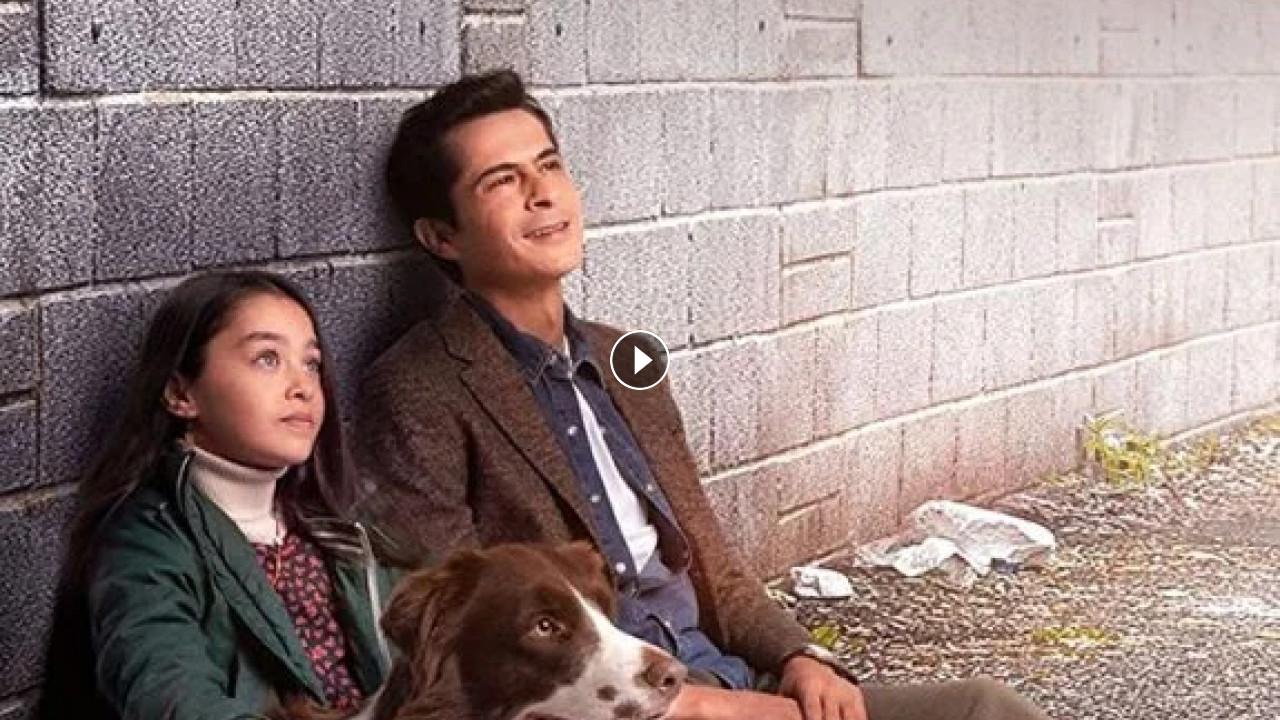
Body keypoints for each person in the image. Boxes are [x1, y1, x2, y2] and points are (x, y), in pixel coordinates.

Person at [354, 70, 1052, 720]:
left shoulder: (628, 357)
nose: (542, 193)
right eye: (502, 181)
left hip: (723, 678)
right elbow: (459, 639)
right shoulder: (417, 387)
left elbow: (711, 561)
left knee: (985, 708)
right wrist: (696, 706)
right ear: (441, 236)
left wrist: (800, 655)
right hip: (617, 703)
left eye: (550, 165)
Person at [65, 271, 398, 720]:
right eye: (267, 359)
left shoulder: (341, 523)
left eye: (311, 363)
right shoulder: (146, 543)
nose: (302, 386)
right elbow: (169, 696)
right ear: (181, 393)